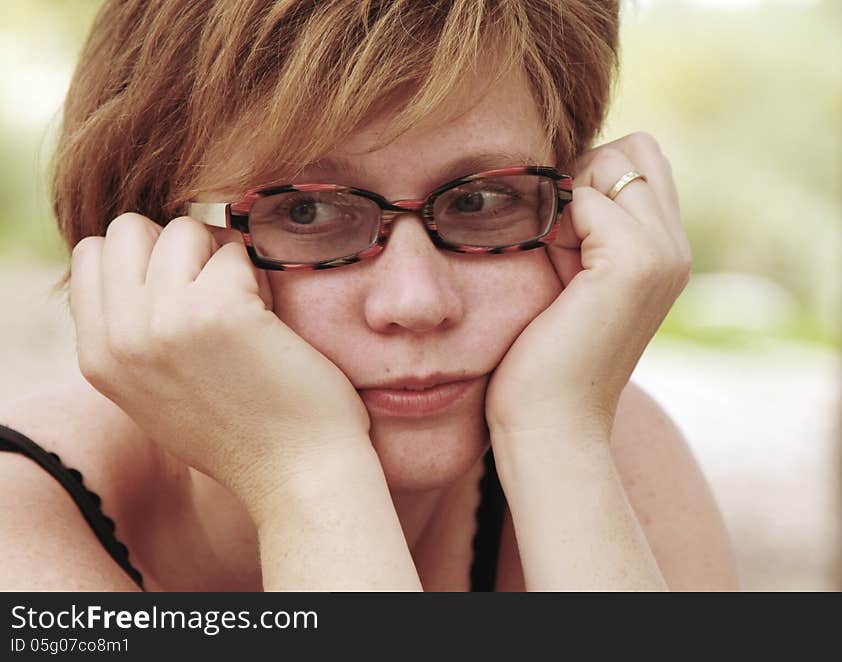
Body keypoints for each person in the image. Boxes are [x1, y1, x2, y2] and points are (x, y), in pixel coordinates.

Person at [0, 0, 737, 591]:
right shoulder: (20, 529)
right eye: (307, 213)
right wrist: (305, 475)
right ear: (147, 249)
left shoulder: (587, 431)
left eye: (480, 200)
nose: (417, 302)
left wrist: (559, 439)